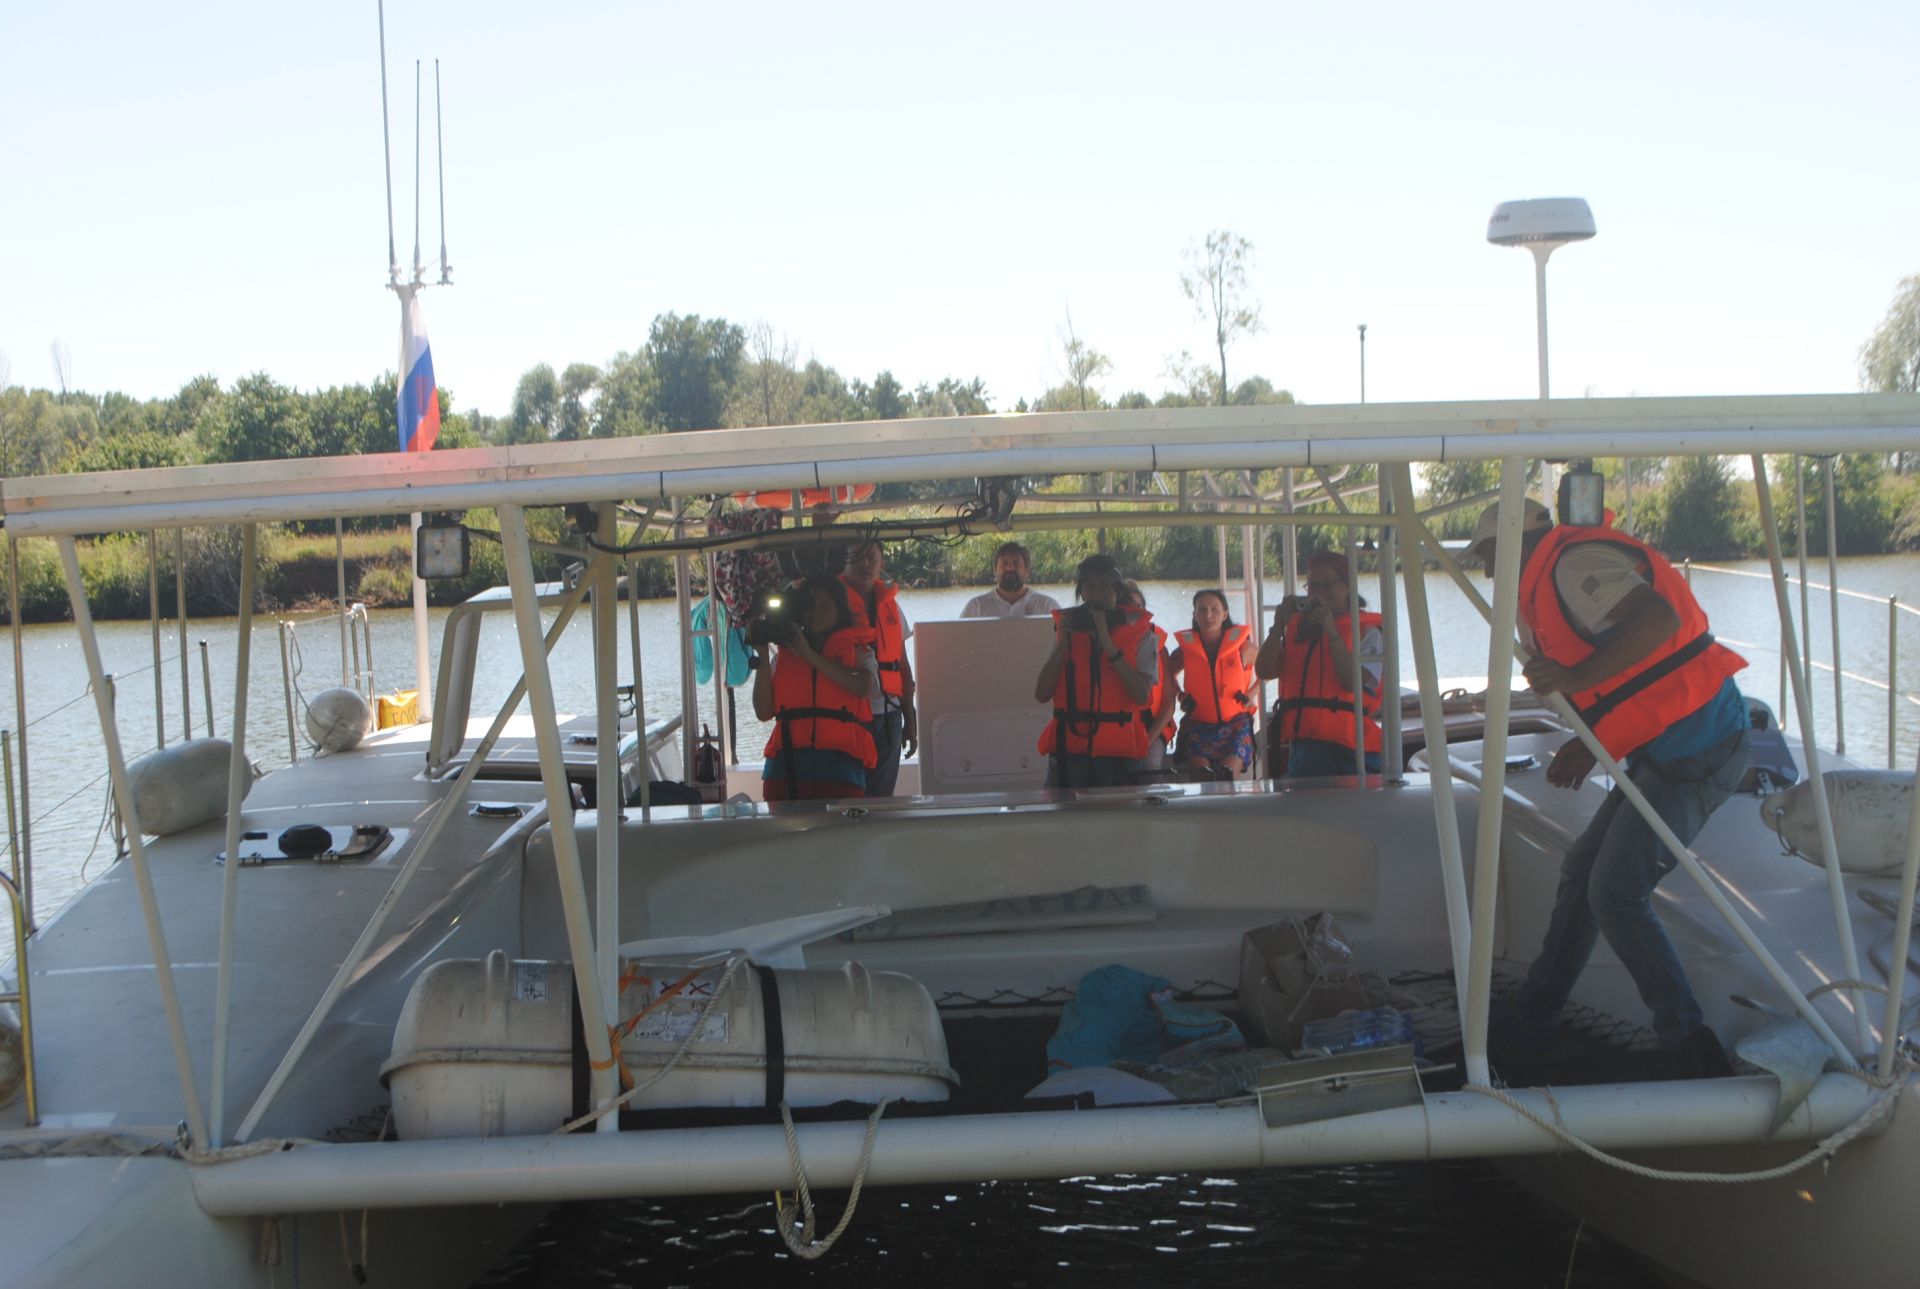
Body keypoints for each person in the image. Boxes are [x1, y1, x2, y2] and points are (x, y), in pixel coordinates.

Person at [1475, 497, 1750, 1059]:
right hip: (1666, 747)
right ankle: (1537, 1013)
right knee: (1582, 874)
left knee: (1616, 893)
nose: (1485, 571)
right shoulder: (1558, 573)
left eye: (1487, 556)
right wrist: (1590, 744)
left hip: (1702, 749)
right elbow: (1632, 684)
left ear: (1514, 545)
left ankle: (1687, 1040)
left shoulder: (1571, 567)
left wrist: (1575, 676)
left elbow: (1659, 621)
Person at [749, 574, 878, 802]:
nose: (817, 612)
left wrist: (808, 655)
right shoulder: (783, 655)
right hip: (784, 771)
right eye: (811, 605)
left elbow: (864, 687)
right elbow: (763, 712)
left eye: (826, 605)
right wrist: (760, 652)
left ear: (840, 609)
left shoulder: (859, 652)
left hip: (840, 772)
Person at [1254, 551, 1384, 778]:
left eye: (1327, 585)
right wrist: (1277, 629)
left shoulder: (1368, 631)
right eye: (1313, 585)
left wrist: (1331, 630)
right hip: (1305, 747)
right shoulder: (1298, 628)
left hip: (1351, 753)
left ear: (1347, 586)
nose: (1320, 592)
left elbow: (1351, 682)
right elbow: (1264, 670)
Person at [1033, 554, 1158, 788]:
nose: (1096, 593)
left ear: (1117, 592)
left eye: (1103, 585)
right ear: (1082, 593)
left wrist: (1109, 644)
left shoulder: (1142, 635)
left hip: (1118, 759)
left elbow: (1141, 695)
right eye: (1089, 586)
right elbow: (1041, 694)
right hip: (1069, 754)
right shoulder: (1066, 629)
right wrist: (1064, 644)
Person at [840, 540, 918, 796]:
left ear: (881, 563)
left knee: (880, 800)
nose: (865, 564)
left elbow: (902, 666)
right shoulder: (830, 605)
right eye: (858, 557)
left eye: (871, 557)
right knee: (847, 798)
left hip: (889, 718)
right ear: (845, 561)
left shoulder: (892, 607)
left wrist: (910, 717)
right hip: (845, 719)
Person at [1170, 589, 1257, 779]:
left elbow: (1268, 668)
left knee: (1226, 774)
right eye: (1201, 610)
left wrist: (1252, 692)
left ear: (1225, 614)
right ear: (1194, 615)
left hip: (1235, 725)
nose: (1207, 615)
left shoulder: (1243, 647)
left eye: (1214, 609)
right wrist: (1180, 694)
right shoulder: (1186, 650)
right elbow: (1167, 673)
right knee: (1203, 776)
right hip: (1199, 725)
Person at [1122, 581, 1179, 772]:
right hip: (1118, 730)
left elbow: (1169, 704)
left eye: (1138, 605)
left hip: (1151, 729)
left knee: (1149, 765)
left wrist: (1147, 740)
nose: (1133, 610)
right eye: (1126, 603)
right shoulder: (1106, 644)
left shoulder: (1158, 646)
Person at [960, 541, 1062, 618]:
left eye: (1016, 563)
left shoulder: (1048, 606)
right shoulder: (976, 607)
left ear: (1027, 570)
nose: (1010, 568)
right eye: (1004, 563)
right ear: (995, 570)